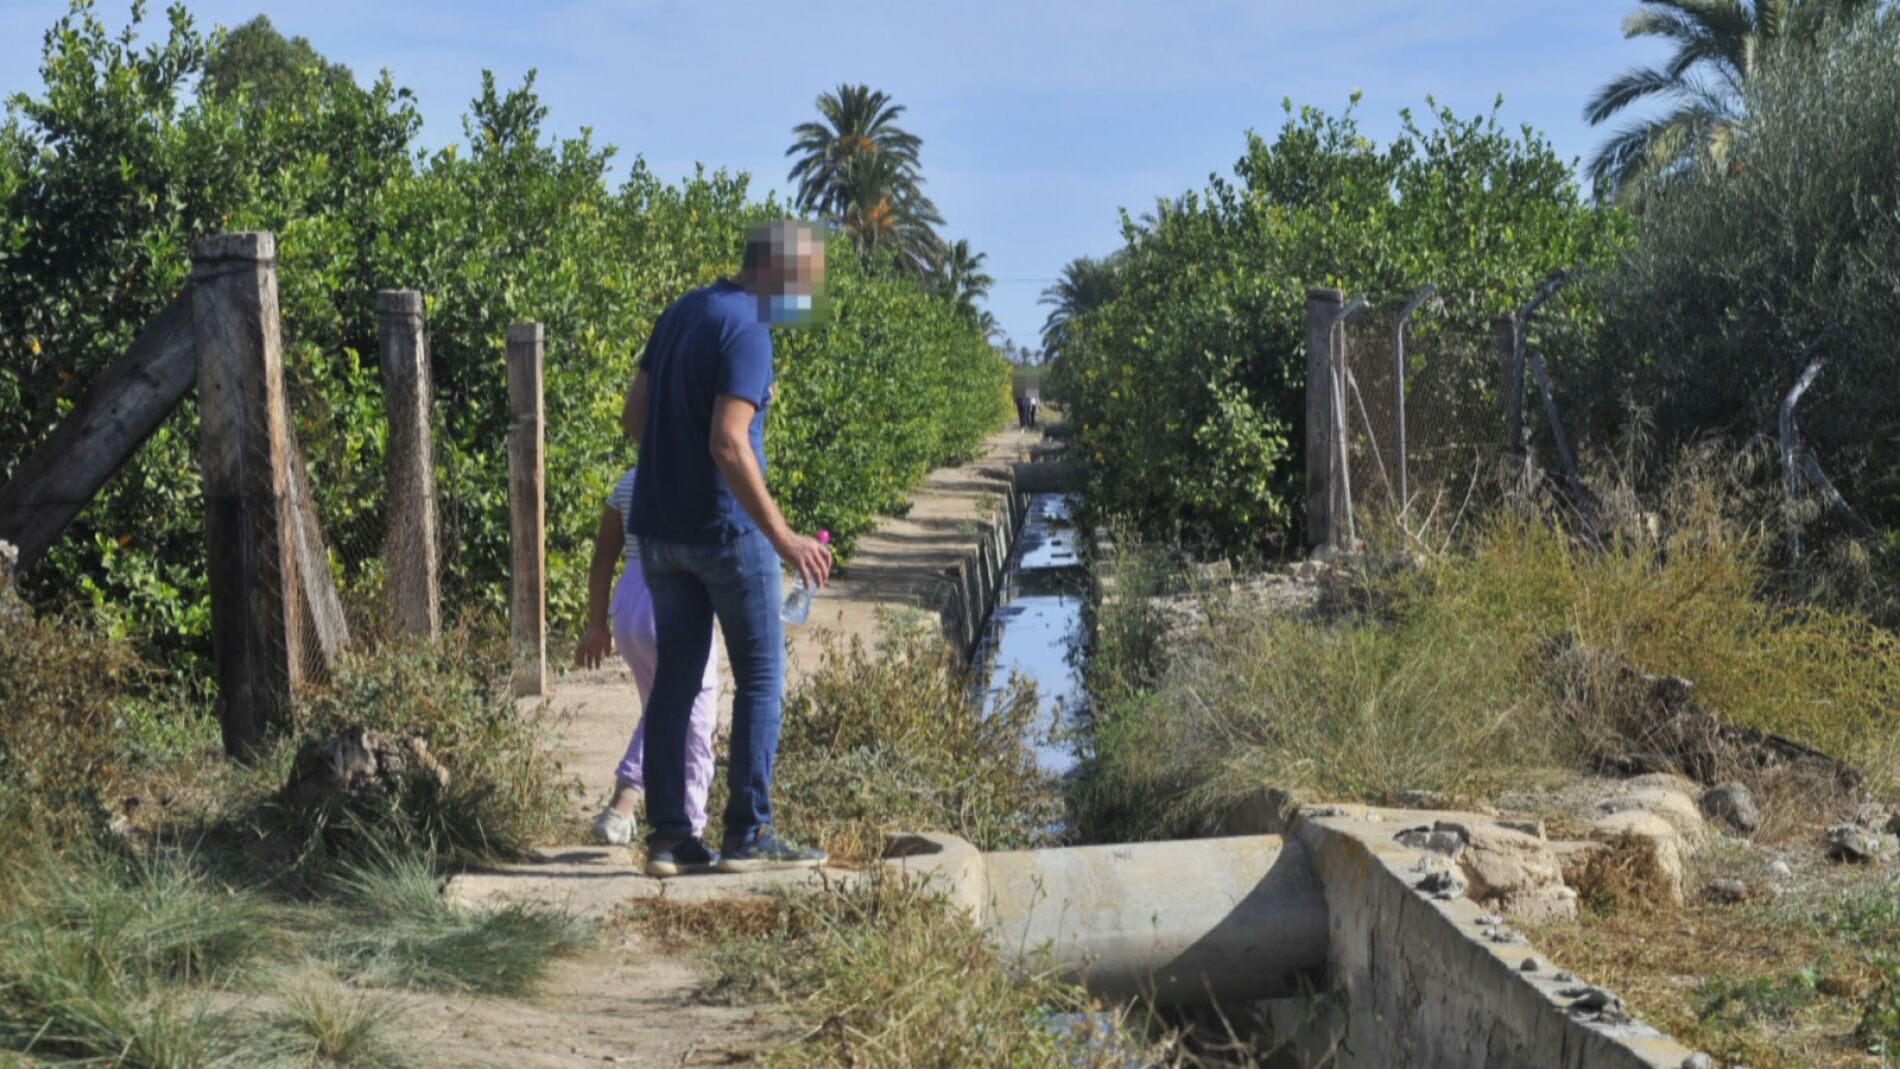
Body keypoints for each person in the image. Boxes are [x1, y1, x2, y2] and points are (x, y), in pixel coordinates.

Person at [621, 219, 833, 878]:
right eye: (809, 280)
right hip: (725, 535)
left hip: (659, 532)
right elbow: (729, 440)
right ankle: (749, 831)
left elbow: (634, 415)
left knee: (675, 685)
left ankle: (669, 838)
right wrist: (785, 537)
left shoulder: (683, 310)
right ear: (780, 272)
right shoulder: (748, 329)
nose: (810, 294)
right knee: (763, 678)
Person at [574, 464, 719, 846]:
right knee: (695, 718)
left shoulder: (628, 480)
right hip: (670, 600)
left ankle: (634, 809)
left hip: (629, 607)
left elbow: (603, 557)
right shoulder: (691, 473)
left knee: (661, 709)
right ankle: (681, 827)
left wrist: (596, 623)